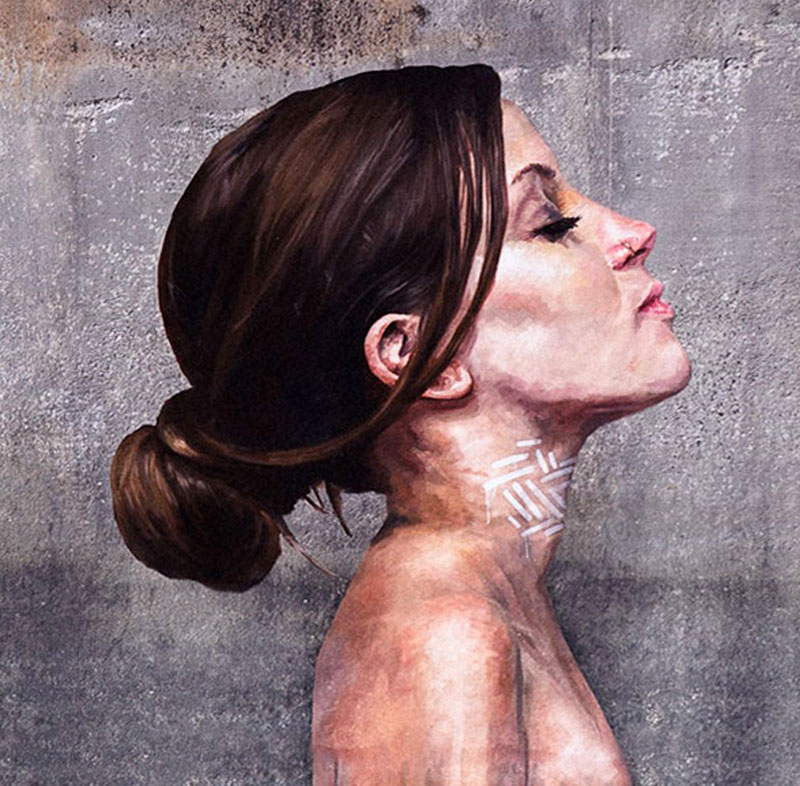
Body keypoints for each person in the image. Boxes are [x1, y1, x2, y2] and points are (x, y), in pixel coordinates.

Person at [110, 64, 690, 785]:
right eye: (551, 225)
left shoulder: (483, 600)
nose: (634, 234)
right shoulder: (449, 640)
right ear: (417, 355)